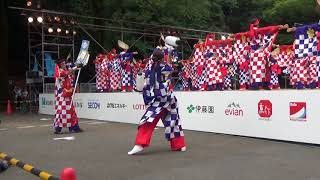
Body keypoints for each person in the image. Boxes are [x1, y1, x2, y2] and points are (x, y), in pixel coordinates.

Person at [128, 49, 186, 155]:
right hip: (167, 99)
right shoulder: (158, 67)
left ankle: (140, 144)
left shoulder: (161, 68)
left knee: (148, 120)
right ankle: (179, 145)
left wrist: (142, 73)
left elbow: (148, 82)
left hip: (163, 100)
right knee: (173, 121)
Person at [53, 59, 83, 134]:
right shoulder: (60, 71)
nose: (64, 65)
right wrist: (75, 68)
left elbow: (70, 73)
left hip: (67, 95)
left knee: (71, 111)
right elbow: (66, 73)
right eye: (62, 64)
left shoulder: (64, 71)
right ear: (59, 65)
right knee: (61, 112)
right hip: (61, 96)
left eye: (64, 63)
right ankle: (58, 128)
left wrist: (76, 67)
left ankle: (74, 127)